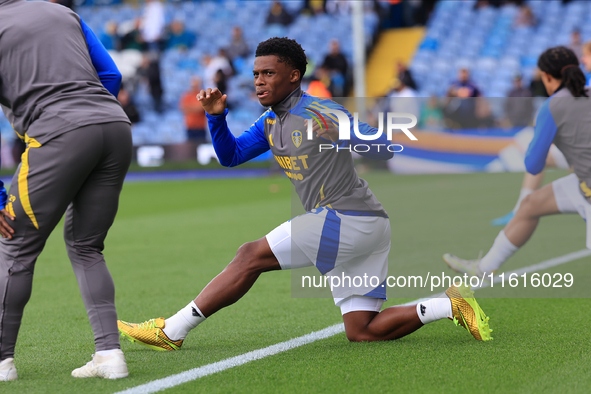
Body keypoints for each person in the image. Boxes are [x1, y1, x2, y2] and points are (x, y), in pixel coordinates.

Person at [117, 37, 492, 353]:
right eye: (256, 74)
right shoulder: (269, 122)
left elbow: (381, 147)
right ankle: (448, 305)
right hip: (367, 225)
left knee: (250, 255)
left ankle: (172, 331)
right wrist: (216, 117)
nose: (259, 82)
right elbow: (230, 157)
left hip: (348, 219)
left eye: (268, 73)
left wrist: (350, 137)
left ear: (294, 76)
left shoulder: (320, 111)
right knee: (362, 330)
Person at [0, 0, 132, 381]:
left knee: (15, 246)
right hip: (114, 126)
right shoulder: (63, 12)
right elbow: (111, 74)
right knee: (87, 246)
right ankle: (109, 354)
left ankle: (3, 361)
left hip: (59, 130)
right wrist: (88, 115)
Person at [444, 46, 591, 278]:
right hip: (583, 184)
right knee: (530, 205)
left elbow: (533, 165)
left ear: (547, 77)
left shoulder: (551, 107)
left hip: (588, 190)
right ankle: (483, 268)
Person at [180, 77, 208, 144]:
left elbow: (202, 108)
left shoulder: (202, 95)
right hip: (190, 127)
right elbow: (183, 108)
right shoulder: (187, 95)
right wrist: (196, 107)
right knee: (190, 146)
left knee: (201, 145)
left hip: (200, 127)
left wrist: (191, 108)